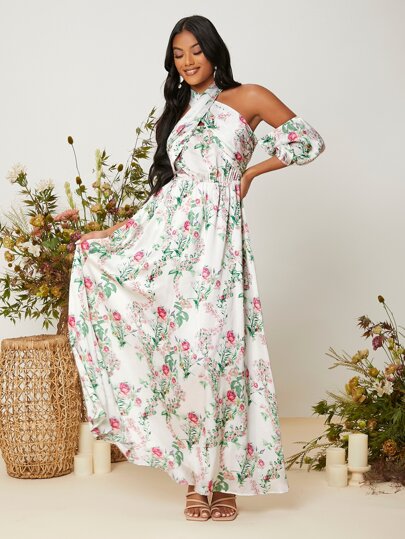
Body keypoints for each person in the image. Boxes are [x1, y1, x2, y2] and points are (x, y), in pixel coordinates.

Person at [68, 15, 325, 522]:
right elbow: (169, 192)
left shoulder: (248, 97)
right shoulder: (179, 111)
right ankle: (194, 476)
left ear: (213, 50)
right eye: (178, 54)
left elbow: (308, 141)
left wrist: (251, 172)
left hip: (219, 245)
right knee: (183, 355)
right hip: (172, 244)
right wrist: (115, 233)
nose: (187, 61)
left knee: (219, 357)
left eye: (195, 51)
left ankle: (225, 479)